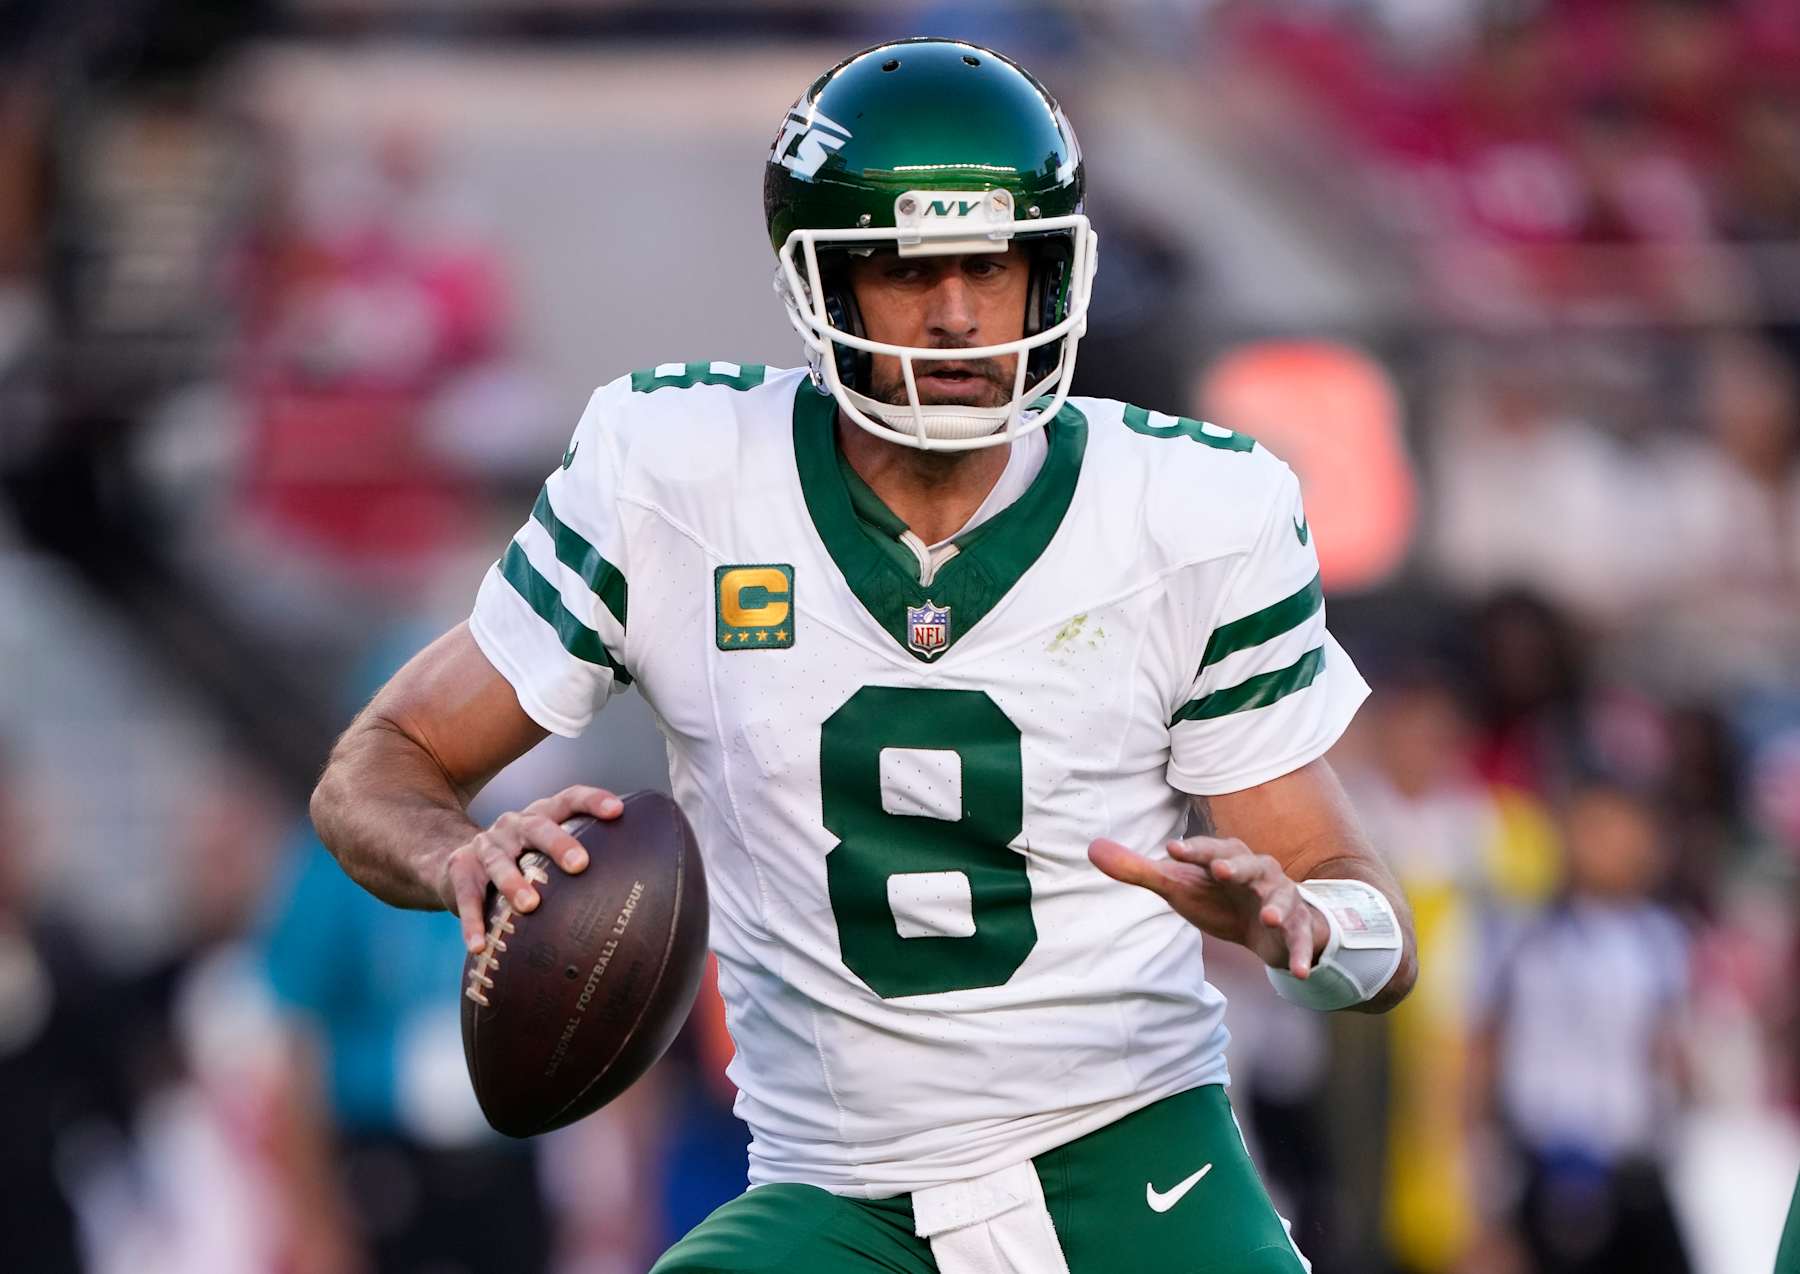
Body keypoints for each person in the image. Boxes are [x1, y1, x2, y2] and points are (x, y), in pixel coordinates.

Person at [310, 38, 1418, 1274]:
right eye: (908, 269)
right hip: (837, 1199)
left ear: (1049, 270)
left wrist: (1306, 927)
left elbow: (1372, 926)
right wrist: (456, 852)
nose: (957, 313)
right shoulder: (674, 472)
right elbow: (375, 765)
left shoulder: (1191, 507)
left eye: (993, 264)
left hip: (1140, 1171)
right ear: (822, 289)